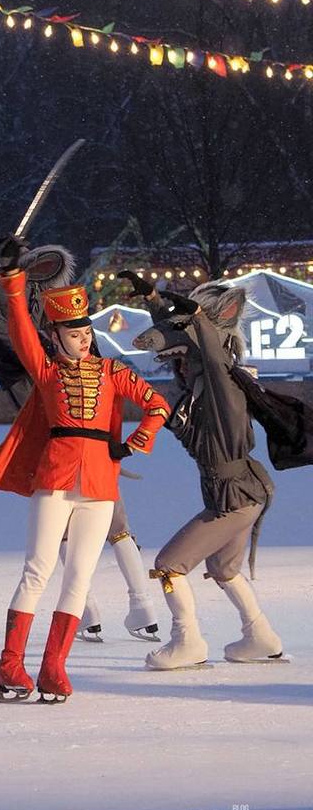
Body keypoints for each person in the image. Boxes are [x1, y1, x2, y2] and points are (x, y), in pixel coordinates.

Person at [0, 245, 162, 642]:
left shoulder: (48, 349)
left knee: (75, 539)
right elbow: (0, 318)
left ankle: (112, 610)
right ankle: (127, 609)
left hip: (71, 452)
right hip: (76, 452)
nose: (83, 338)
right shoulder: (62, 346)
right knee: (92, 534)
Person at [0, 239, 170, 702]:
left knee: (80, 578)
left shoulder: (111, 372)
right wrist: (13, 279)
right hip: (56, 477)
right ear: (57, 337)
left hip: (100, 484)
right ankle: (10, 665)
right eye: (73, 332)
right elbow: (21, 326)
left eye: (86, 332)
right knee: (38, 571)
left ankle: (52, 669)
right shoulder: (45, 372)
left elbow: (157, 403)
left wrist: (141, 438)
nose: (83, 338)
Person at [126, 271, 288, 670]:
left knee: (169, 566)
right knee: (223, 568)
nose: (179, 365)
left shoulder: (223, 385)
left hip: (235, 496)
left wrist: (199, 317)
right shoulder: (196, 394)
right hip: (241, 493)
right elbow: (176, 334)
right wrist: (152, 299)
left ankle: (187, 641)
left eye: (186, 358)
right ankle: (260, 636)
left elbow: (211, 354)